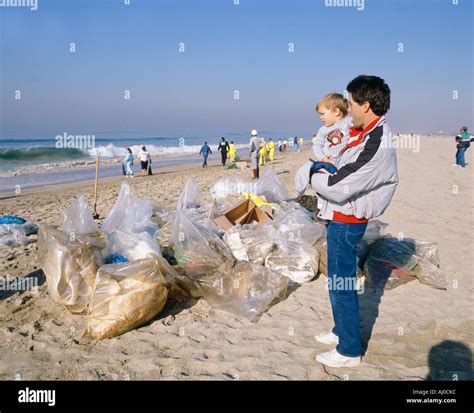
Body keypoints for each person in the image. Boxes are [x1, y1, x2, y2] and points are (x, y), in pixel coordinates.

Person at [310, 75, 398, 368]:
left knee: (341, 283)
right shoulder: (362, 128)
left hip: (348, 218)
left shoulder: (376, 140)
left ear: (366, 105)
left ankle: (349, 350)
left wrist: (313, 174)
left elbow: (338, 184)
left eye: (350, 103)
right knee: (337, 280)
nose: (346, 108)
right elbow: (335, 144)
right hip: (339, 214)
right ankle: (341, 331)